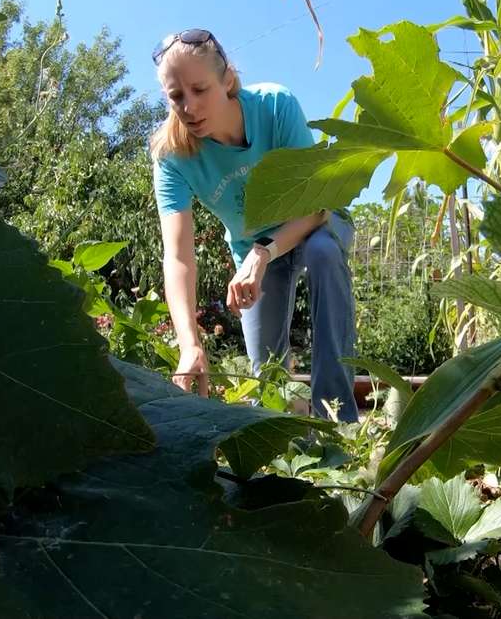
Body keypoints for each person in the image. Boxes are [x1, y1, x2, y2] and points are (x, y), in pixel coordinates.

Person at [148, 29, 359, 422]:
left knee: (323, 252)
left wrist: (264, 253)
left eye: (199, 89)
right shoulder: (172, 156)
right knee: (268, 384)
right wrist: (189, 343)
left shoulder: (275, 107)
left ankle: (339, 423)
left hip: (316, 222)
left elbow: (316, 207)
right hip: (255, 250)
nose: (189, 107)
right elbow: (178, 257)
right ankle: (290, 440)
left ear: (227, 79)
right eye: (176, 97)